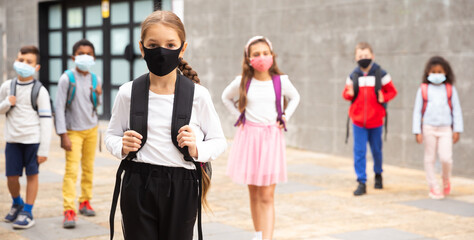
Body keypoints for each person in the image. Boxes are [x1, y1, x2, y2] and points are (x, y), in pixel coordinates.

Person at [105, 10, 227, 240]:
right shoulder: (127, 92)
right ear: (142, 48)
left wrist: (197, 148)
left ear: (183, 48)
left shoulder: (198, 95)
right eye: (153, 44)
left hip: (182, 186)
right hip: (137, 184)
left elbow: (219, 141)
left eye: (171, 44)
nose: (162, 51)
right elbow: (110, 135)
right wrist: (121, 144)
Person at [222, 36, 300, 240]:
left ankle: (267, 238)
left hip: (270, 140)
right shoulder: (242, 81)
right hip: (249, 139)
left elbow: (295, 97)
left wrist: (284, 116)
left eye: (265, 53)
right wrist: (239, 116)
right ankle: (258, 235)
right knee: (254, 192)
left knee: (267, 195)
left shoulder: (280, 81)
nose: (261, 57)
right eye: (256, 54)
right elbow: (225, 97)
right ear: (248, 58)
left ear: (272, 56)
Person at [0, 45, 52, 229]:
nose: (24, 64)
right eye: (21, 60)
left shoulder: (40, 91)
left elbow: (46, 121)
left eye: (29, 62)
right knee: (11, 177)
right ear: (16, 60)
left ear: (36, 67)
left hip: (32, 141)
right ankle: (17, 203)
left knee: (32, 175)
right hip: (13, 141)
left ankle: (28, 211)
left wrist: (44, 149)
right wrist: (7, 102)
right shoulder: (7, 86)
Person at [54, 39, 102, 228]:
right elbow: (58, 107)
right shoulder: (66, 78)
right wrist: (62, 134)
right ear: (74, 57)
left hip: (91, 129)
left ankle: (85, 201)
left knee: (88, 168)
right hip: (73, 131)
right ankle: (68, 209)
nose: (85, 57)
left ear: (94, 57)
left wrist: (98, 93)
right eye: (81, 53)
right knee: (71, 171)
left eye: (89, 54)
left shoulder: (96, 79)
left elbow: (94, 104)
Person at [342, 42, 397, 196]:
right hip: (358, 122)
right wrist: (349, 94)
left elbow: (392, 91)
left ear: (372, 56)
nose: (363, 58)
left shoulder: (382, 74)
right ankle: (361, 182)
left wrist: (383, 96)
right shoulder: (352, 76)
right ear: (355, 58)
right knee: (359, 152)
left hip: (376, 120)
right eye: (360, 56)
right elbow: (345, 94)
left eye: (366, 55)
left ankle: (378, 174)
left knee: (377, 150)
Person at [412, 56, 463, 199]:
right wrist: (417, 131)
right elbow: (417, 111)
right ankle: (433, 186)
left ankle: (445, 178)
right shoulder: (423, 89)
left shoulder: (450, 90)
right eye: (433, 72)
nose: (436, 75)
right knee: (430, 158)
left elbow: (456, 111)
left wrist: (457, 129)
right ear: (427, 73)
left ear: (446, 73)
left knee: (446, 158)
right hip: (428, 128)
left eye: (439, 72)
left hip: (445, 128)